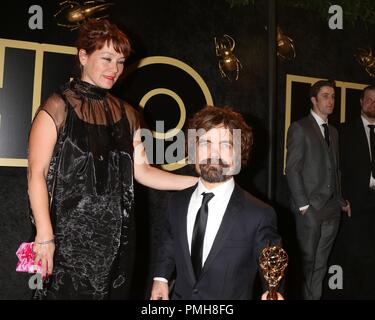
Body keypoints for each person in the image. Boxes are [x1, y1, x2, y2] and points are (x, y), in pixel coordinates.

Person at [27, 19, 197, 300]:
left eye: (120, 61)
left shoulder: (128, 114)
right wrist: (45, 235)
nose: (114, 69)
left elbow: (143, 172)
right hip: (66, 243)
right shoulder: (57, 107)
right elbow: (36, 174)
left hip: (117, 245)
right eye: (106, 58)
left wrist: (197, 181)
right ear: (83, 56)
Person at [150, 106, 283, 300]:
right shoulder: (176, 202)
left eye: (225, 145)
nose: (214, 153)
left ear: (238, 154)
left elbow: (272, 264)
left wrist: (273, 292)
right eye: (205, 143)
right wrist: (161, 278)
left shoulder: (259, 214)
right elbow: (169, 241)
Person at [285, 79, 350, 300]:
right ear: (313, 100)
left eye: (333, 96)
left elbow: (335, 169)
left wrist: (341, 200)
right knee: (306, 265)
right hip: (310, 209)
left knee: (320, 266)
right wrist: (304, 206)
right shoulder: (299, 128)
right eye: (325, 96)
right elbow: (292, 169)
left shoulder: (333, 131)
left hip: (332, 209)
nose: (330, 100)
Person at [334, 84, 375, 299]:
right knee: (353, 260)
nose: (372, 104)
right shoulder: (343, 131)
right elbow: (333, 170)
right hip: (354, 204)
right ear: (361, 102)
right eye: (368, 99)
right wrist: (340, 199)